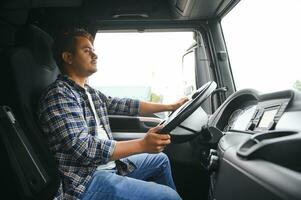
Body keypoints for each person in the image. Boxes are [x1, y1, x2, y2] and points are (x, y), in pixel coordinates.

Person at [37, 28, 188, 200]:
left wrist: (170, 106)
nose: (95, 55)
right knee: (168, 196)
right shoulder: (59, 95)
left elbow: (126, 105)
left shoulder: (89, 92)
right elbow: (84, 149)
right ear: (68, 57)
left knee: (160, 160)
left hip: (107, 165)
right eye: (87, 51)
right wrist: (142, 144)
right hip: (85, 180)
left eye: (93, 50)